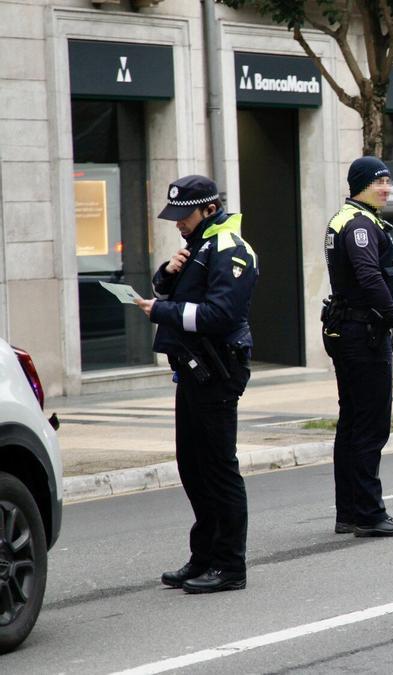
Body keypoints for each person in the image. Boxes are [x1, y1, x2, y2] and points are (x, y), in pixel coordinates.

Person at [135, 175, 257, 594]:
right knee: (193, 467)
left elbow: (218, 315)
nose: (177, 224)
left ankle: (230, 565)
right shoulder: (202, 246)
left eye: (183, 215)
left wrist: (162, 311)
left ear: (208, 209)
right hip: (192, 369)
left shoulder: (231, 249)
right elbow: (180, 289)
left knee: (219, 469)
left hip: (216, 369)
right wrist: (166, 274)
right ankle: (203, 556)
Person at [321, 157, 393, 538]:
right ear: (360, 184)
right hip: (363, 333)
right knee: (370, 426)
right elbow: (368, 276)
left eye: (388, 180)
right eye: (379, 181)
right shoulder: (359, 225)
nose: (386, 188)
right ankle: (368, 514)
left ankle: (348, 512)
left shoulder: (351, 219)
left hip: (348, 329)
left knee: (352, 423)